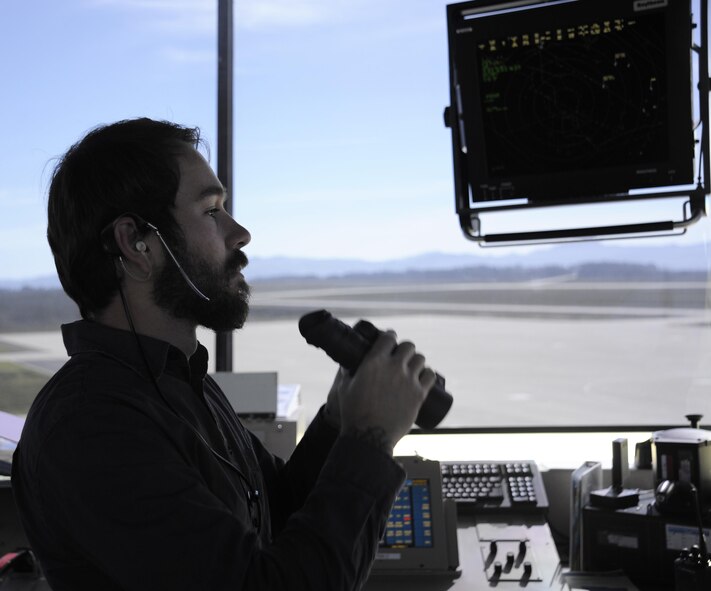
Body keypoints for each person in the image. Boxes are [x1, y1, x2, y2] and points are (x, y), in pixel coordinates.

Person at [11, 118, 435, 591]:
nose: (241, 233)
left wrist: (339, 420)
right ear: (136, 244)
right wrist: (370, 439)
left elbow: (273, 511)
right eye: (212, 211)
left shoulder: (179, 381)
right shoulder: (92, 424)